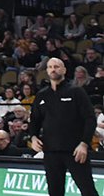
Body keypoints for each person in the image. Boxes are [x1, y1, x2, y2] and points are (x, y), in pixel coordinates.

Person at [30, 57, 100, 196]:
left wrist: (84, 144)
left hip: (75, 151)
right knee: (55, 192)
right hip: (50, 152)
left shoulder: (76, 92)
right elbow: (34, 120)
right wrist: (33, 137)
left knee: (88, 190)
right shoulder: (42, 95)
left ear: (64, 70)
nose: (53, 69)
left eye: (56, 66)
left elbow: (90, 119)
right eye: (50, 67)